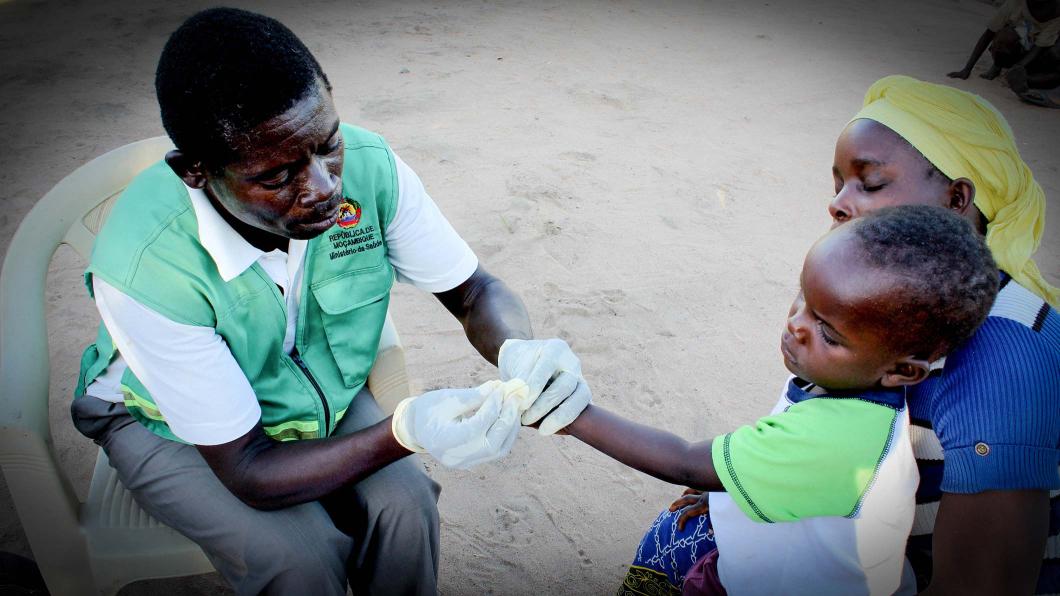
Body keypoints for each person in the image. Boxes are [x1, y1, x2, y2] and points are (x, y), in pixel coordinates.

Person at [70, 8, 589, 596]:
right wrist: (406, 430)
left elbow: (474, 291)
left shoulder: (371, 169)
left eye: (329, 144)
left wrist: (520, 349)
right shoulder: (146, 270)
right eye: (278, 176)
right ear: (195, 170)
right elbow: (250, 472)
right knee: (297, 558)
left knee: (407, 508)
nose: (324, 187)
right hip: (166, 422)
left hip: (311, 391)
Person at [625, 75, 1060, 596]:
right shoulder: (893, 294)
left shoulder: (1005, 359)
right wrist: (745, 487)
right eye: (838, 185)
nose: (838, 204)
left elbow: (983, 585)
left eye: (870, 183)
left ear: (956, 198)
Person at [565, 206, 998, 596]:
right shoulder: (848, 383)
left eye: (827, 331)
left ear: (903, 370)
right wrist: (736, 489)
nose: (796, 324)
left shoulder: (839, 441)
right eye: (805, 298)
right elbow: (782, 447)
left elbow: (682, 461)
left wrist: (574, 416)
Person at [947, 0, 1060, 107]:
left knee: (1054, 56)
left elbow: (1039, 47)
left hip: (1045, 48)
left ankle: (1028, 80)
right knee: (1004, 39)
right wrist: (967, 69)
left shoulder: (1056, 12)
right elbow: (989, 33)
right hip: (1028, 42)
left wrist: (1018, 69)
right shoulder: (1016, 3)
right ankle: (1000, 67)